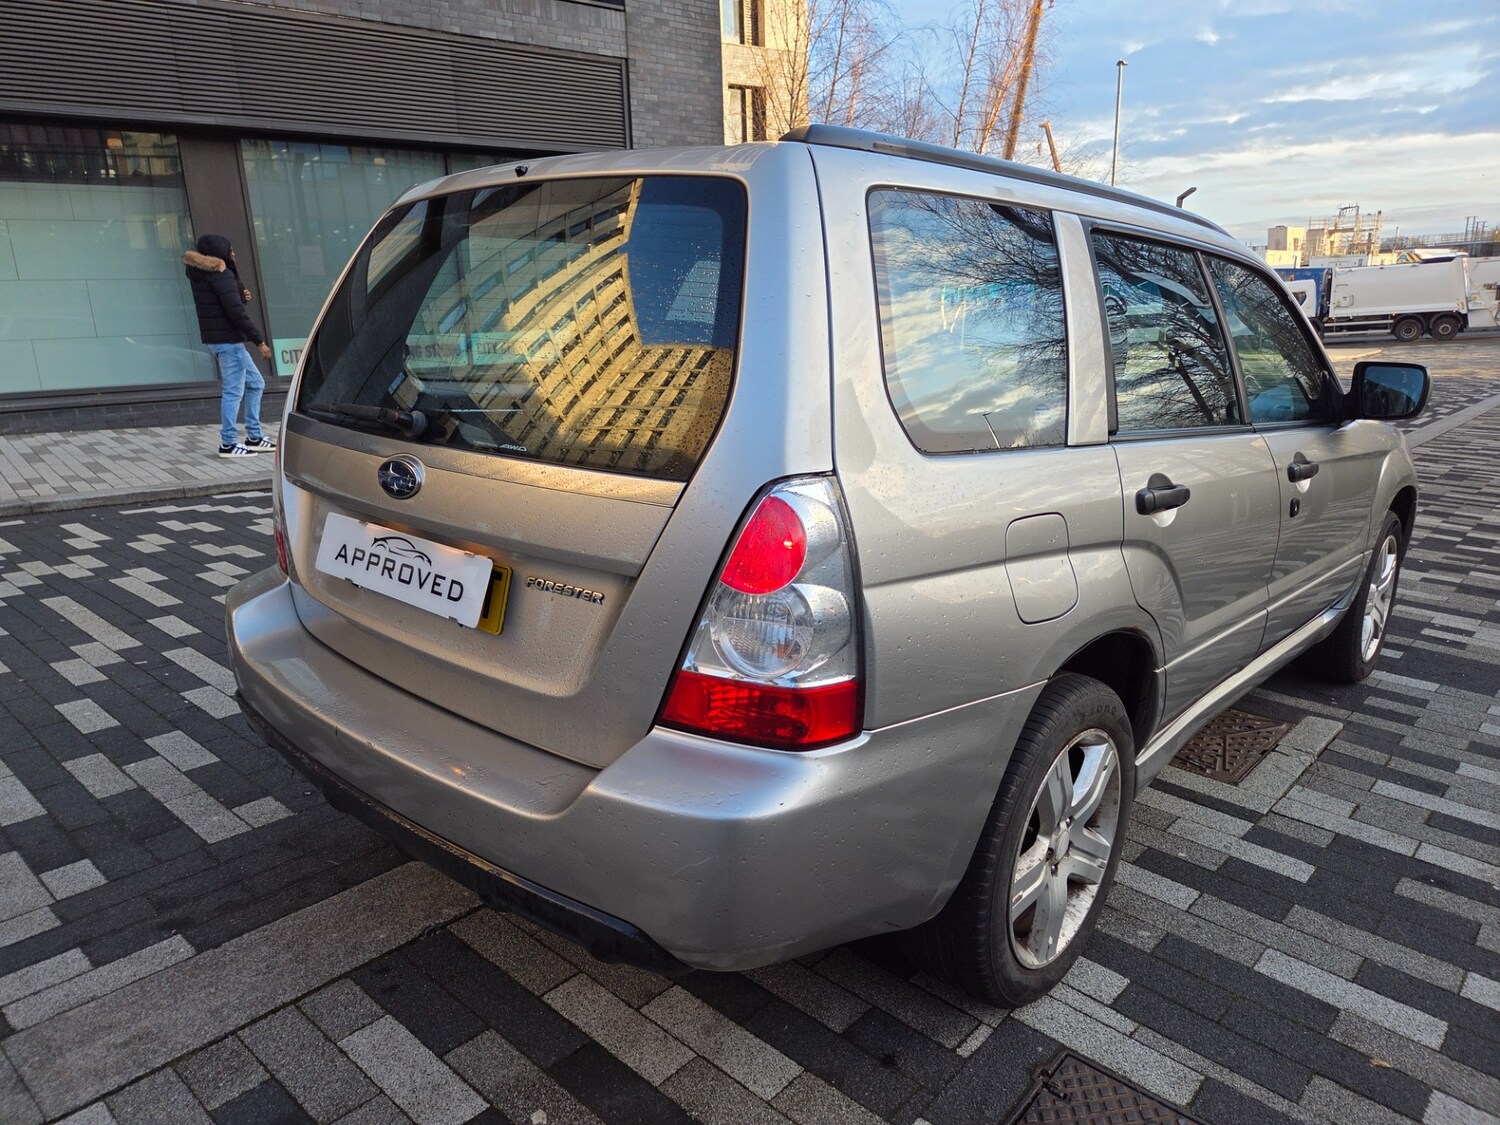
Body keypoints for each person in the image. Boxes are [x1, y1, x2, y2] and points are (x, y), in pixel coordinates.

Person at [183, 235, 276, 458]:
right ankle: (228, 443)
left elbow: (223, 303)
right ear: (219, 251)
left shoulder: (202, 273)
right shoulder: (220, 273)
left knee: (256, 384)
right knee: (233, 391)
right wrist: (259, 341)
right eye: (230, 249)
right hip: (228, 342)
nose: (233, 253)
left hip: (220, 340)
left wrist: (240, 296)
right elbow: (235, 313)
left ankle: (254, 437)